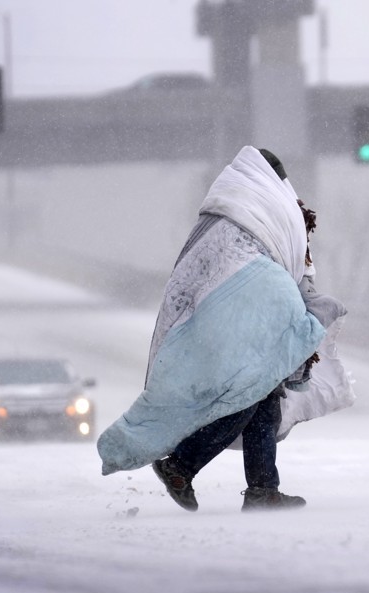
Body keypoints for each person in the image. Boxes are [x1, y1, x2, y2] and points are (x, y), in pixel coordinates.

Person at [97, 146, 349, 511]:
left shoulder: (225, 211)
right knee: (247, 393)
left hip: (217, 316)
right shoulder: (268, 209)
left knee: (262, 395)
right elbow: (282, 264)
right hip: (238, 316)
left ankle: (263, 488)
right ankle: (181, 466)